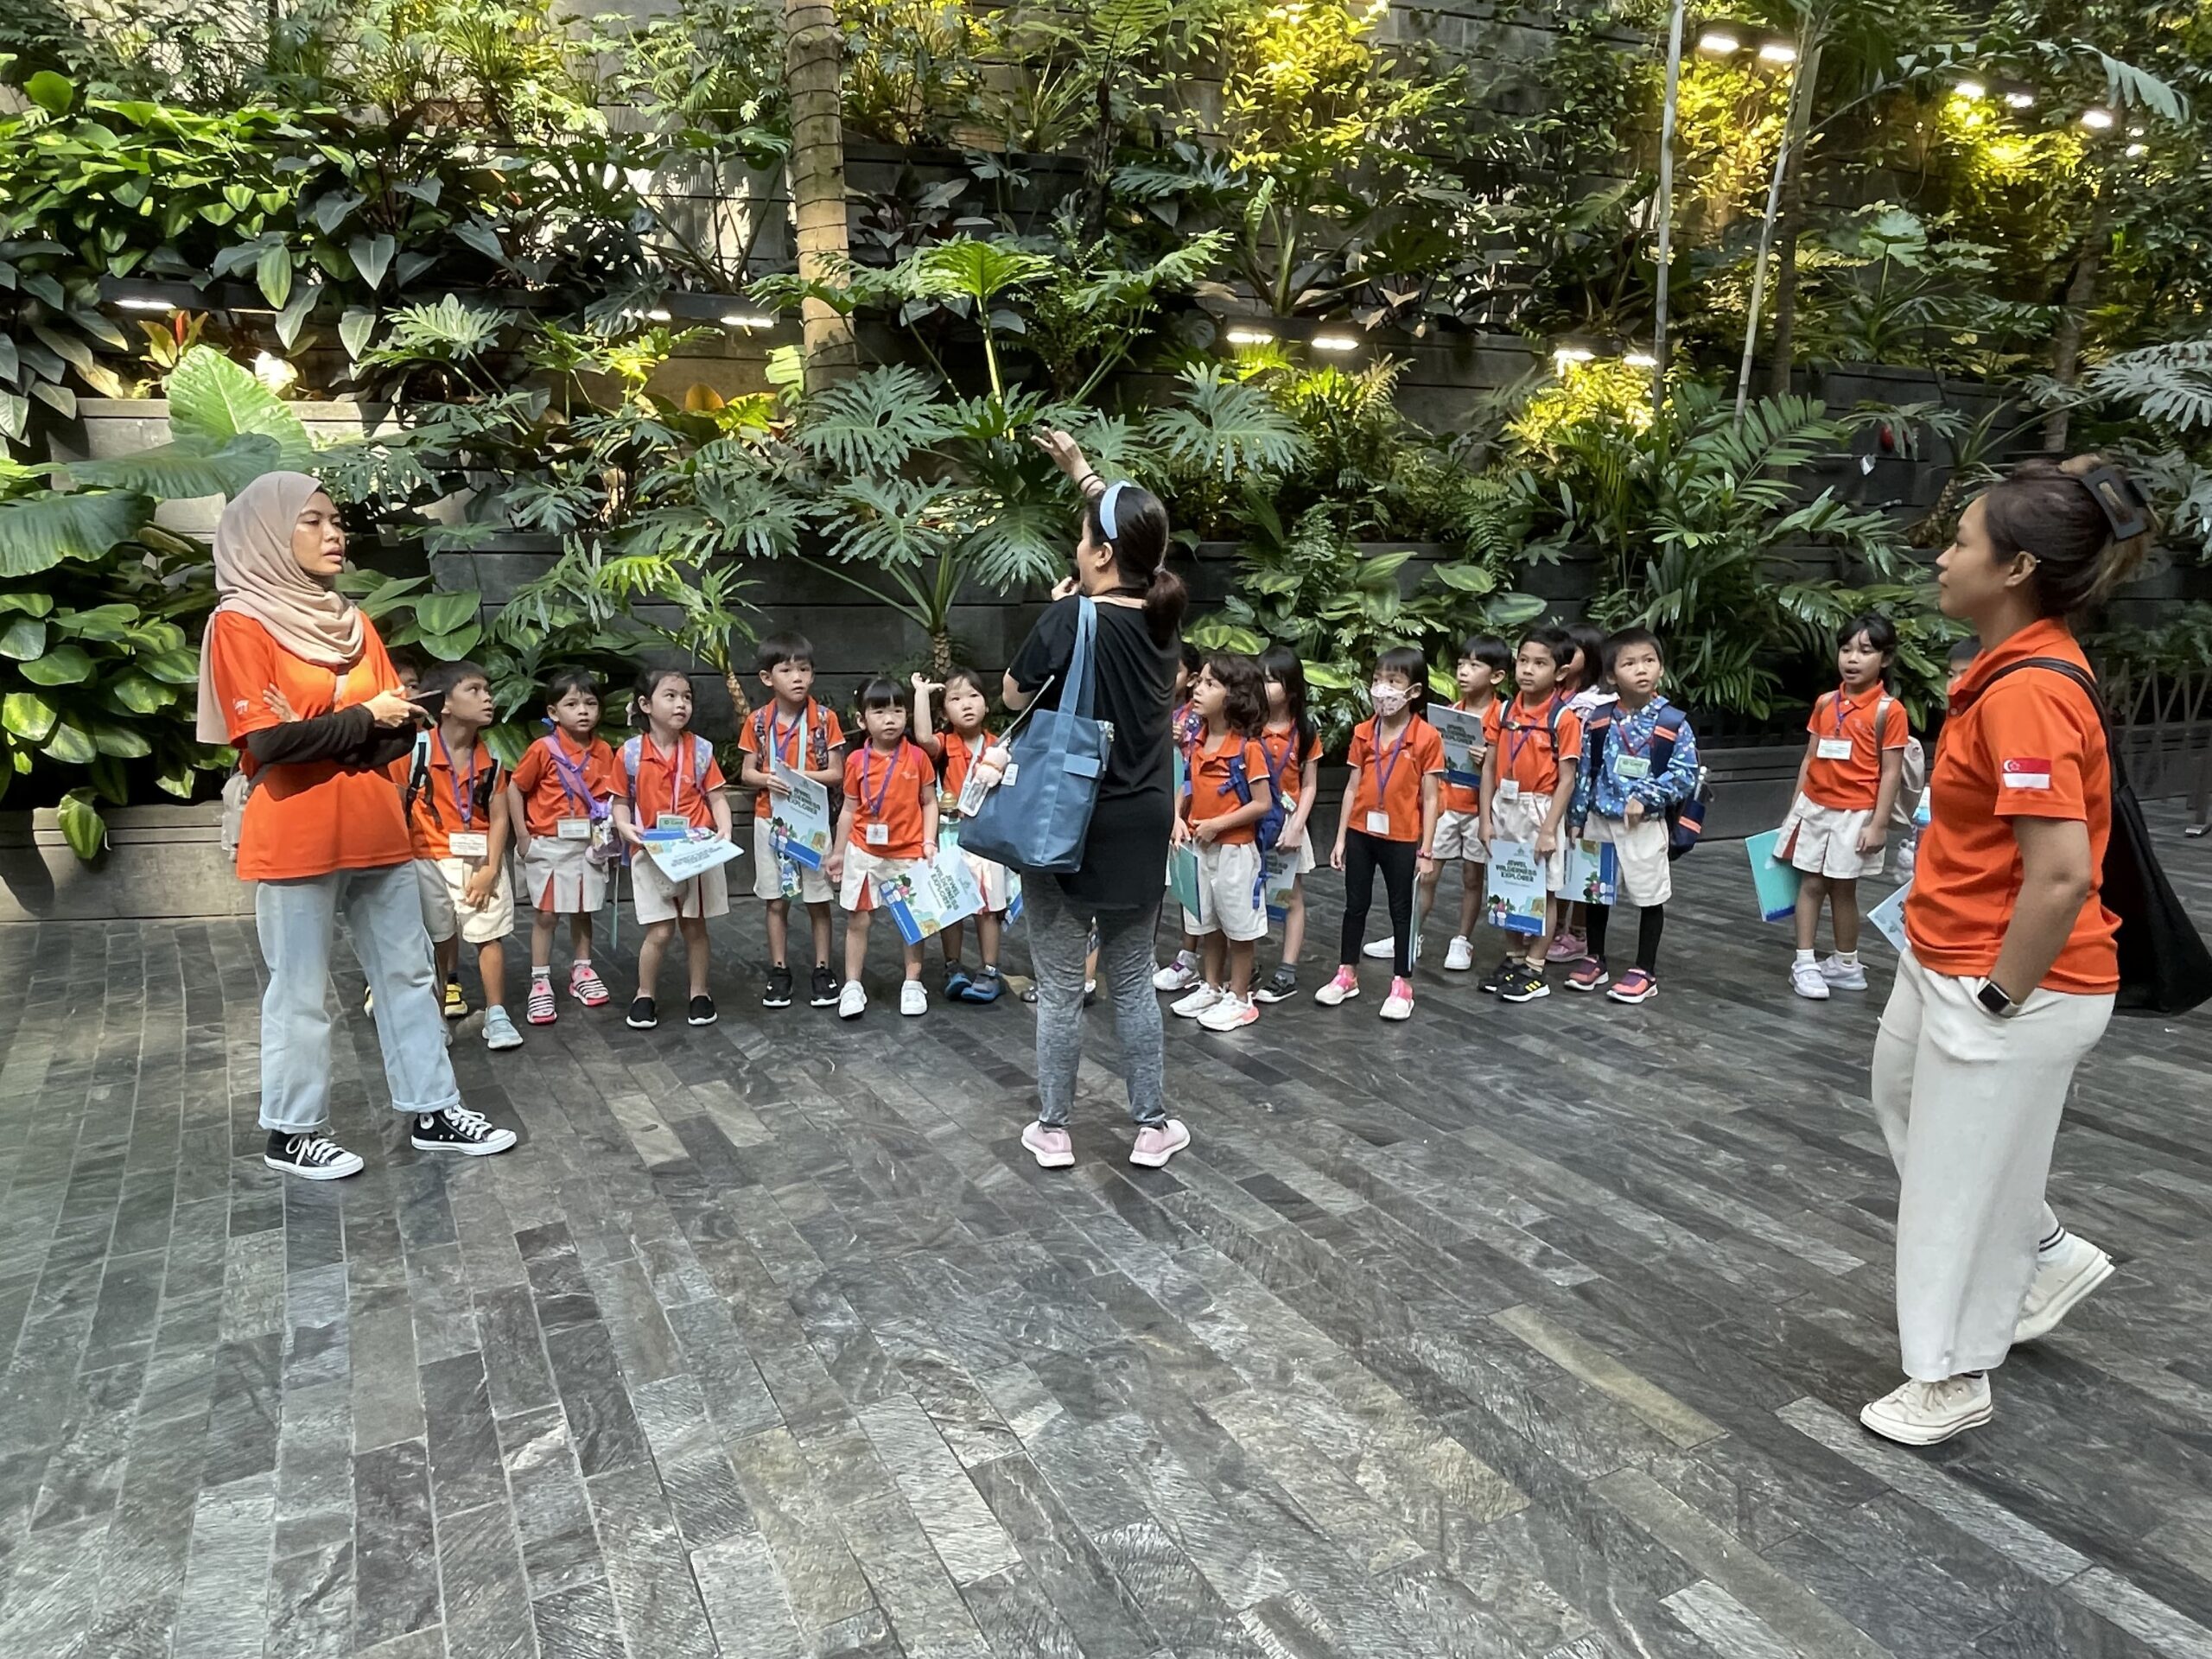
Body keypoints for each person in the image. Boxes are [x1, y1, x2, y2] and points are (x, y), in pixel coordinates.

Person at [1859, 454, 2145, 1446]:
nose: (1941, 558)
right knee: (1902, 1106)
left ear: (2015, 569)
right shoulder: (2000, 668)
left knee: (1954, 1185)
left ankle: (1949, 1375)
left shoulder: (2029, 692)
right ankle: (2047, 1253)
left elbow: (2061, 874)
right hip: (1940, 952)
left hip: (2006, 981)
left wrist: (1995, 998)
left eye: (1962, 541)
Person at [199, 470, 516, 1179]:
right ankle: (292, 1129)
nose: (334, 533)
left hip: (378, 826)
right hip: (296, 835)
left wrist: (339, 725)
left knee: (408, 976)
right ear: (267, 533)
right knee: (301, 989)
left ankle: (434, 1109)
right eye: (312, 521)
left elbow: (397, 736)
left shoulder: (352, 621)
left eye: (335, 520)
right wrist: (362, 720)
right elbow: (267, 747)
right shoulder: (240, 623)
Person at [1003, 431, 1190, 1170]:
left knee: (1056, 985)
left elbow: (1014, 694)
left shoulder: (1068, 618)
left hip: (1067, 821)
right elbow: (1140, 541)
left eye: (1084, 541)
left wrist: (1063, 619)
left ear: (1101, 555)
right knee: (1135, 978)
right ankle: (1153, 1124)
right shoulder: (1164, 619)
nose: (1078, 549)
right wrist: (1085, 476)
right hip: (1143, 821)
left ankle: (1054, 1128)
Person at [1564, 627, 1700, 1004]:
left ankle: (1645, 968)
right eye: (1629, 663)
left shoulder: (1673, 722)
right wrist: (1576, 817)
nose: (1641, 670)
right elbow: (1586, 771)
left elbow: (1685, 773)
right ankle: (1595, 957)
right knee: (1595, 894)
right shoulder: (1599, 720)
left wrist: (1647, 796)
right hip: (1598, 820)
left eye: (1649, 661)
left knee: (1649, 895)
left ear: (1660, 668)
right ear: (1611, 676)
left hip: (1643, 825)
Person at [1780, 613, 1912, 1000]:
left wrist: (1879, 824)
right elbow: (1810, 758)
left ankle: (1846, 963)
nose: (1853, 659)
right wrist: (1795, 808)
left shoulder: (1890, 711)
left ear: (1885, 659)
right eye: (1846, 649)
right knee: (1812, 883)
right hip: (1815, 807)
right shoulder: (1825, 703)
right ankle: (1805, 961)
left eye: (1866, 651)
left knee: (1843, 888)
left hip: (1856, 814)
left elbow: (1890, 773)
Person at [391, 660, 520, 1050]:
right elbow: (396, 811)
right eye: (474, 690)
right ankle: (434, 1015)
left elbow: (499, 818)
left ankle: (496, 1014)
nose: (487, 698)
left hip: (480, 859)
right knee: (435, 938)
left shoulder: (492, 759)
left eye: (487, 690)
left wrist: (491, 869)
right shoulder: (413, 751)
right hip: (426, 856)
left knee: (489, 935)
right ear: (444, 704)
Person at [1316, 645, 1444, 1021]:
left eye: (1393, 681)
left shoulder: (1427, 738)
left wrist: (1428, 848)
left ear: (1414, 691)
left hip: (1402, 837)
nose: (1382, 689)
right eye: (1377, 680)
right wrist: (1340, 838)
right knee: (1354, 905)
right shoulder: (1361, 733)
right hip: (1360, 832)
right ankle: (1346, 973)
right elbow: (1352, 787)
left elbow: (1432, 797)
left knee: (1401, 910)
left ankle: (1402, 983)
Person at [1370, 633, 1506, 974]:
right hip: (1448, 801)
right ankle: (1410, 934)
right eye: (1461, 664)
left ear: (1497, 676)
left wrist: (1490, 759)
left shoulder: (1504, 715)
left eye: (1474, 665)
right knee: (1427, 874)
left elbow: (1511, 764)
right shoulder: (1449, 713)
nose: (1463, 671)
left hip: (1481, 810)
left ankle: (1462, 939)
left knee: (1473, 877)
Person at [612, 667, 734, 1030]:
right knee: (660, 930)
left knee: (695, 927)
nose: (681, 704)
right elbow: (620, 800)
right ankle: (644, 993)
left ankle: (700, 992)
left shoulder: (701, 750)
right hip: (651, 853)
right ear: (645, 704)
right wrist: (623, 824)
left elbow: (717, 796)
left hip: (696, 851)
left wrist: (724, 827)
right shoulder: (631, 753)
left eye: (687, 697)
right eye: (671, 696)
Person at [736, 632, 846, 1010]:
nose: (797, 677)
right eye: (787, 670)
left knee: (818, 899)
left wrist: (801, 778)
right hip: (770, 821)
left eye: (804, 669)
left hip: (812, 822)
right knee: (775, 899)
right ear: (768, 678)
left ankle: (822, 969)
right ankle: (779, 970)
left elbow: (837, 773)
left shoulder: (825, 719)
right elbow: (747, 772)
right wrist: (768, 778)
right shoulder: (757, 721)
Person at [1478, 626, 1585, 1003]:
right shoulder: (1503, 710)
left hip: (1541, 809)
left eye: (1540, 663)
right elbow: (1489, 765)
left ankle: (1536, 966)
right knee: (1507, 883)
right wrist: (1485, 818)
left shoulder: (1564, 719)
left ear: (1559, 672)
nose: (1528, 670)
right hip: (1504, 806)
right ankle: (1514, 956)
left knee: (1544, 887)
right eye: (1523, 660)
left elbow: (1567, 780)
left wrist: (1549, 829)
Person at [505, 669, 619, 1025]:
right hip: (548, 843)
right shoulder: (543, 749)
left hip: (587, 844)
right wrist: (523, 835)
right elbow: (515, 788)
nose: (583, 711)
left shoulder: (604, 751)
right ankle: (540, 980)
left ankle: (582, 971)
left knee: (583, 908)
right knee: (547, 913)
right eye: (572, 704)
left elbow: (612, 797)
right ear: (554, 713)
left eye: (590, 703)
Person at [1169, 652, 1275, 1032]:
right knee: (1207, 921)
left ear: (1235, 695)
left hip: (1234, 851)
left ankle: (1241, 996)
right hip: (1200, 846)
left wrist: (1218, 823)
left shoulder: (1247, 749)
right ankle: (1211, 985)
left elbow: (1262, 803)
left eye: (1211, 684)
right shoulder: (1197, 741)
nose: (1198, 689)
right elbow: (1187, 785)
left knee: (1238, 927)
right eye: (1200, 682)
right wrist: (1179, 818)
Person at [829, 677, 938, 1018]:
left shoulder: (918, 758)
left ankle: (912, 983)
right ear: (862, 721)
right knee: (858, 920)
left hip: (908, 853)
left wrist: (929, 841)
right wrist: (837, 851)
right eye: (879, 711)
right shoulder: (854, 761)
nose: (890, 718)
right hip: (864, 851)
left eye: (897, 710)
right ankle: (852, 985)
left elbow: (930, 802)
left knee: (912, 922)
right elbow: (848, 808)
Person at [912, 667, 1010, 1002]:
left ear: (986, 704)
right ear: (944, 712)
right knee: (952, 904)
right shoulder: (943, 744)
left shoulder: (1000, 745)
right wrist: (921, 695)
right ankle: (953, 967)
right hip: (949, 836)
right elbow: (923, 738)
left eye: (973, 696)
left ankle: (989, 970)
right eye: (955, 699)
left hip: (987, 839)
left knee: (989, 908)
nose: (966, 704)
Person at [1253, 645, 1322, 1004]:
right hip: (1252, 822)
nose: (1262, 686)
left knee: (1291, 896)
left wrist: (1297, 825)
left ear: (1291, 688)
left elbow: (1309, 784)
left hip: (1288, 824)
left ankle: (1286, 970)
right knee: (1243, 894)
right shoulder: (1249, 724)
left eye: (1270, 679)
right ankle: (1245, 962)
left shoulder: (1305, 731)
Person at [1548, 621, 1615, 965]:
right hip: (1555, 793)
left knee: (1587, 863)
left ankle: (1577, 932)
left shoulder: (1597, 703)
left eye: (1569, 650)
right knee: (1560, 861)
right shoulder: (1553, 694)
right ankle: (1554, 926)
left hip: (1589, 795)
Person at [1154, 641, 1209, 994]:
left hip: (1188, 809)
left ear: (1190, 679)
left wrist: (1182, 740)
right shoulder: (1152, 707)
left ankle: (1189, 959)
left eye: (1174, 670)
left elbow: (1196, 765)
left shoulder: (1197, 717)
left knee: (1189, 884)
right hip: (1155, 801)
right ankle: (1144, 953)